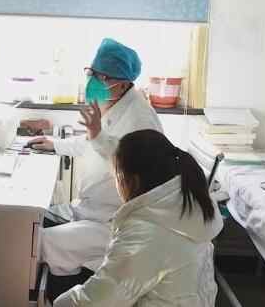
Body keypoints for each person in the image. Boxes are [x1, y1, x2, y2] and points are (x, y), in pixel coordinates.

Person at [29, 38, 164, 301]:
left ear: (122, 83)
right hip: (92, 210)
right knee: (34, 221)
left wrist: (97, 135)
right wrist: (56, 145)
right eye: (91, 72)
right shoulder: (114, 103)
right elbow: (93, 141)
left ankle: (59, 292)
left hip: (113, 223)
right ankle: (62, 286)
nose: (92, 81)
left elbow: (127, 161)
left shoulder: (141, 120)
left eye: (101, 77)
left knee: (39, 242)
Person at [54, 129, 224, 307]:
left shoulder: (146, 231)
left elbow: (98, 301)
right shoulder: (189, 204)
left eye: (116, 177)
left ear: (133, 181)